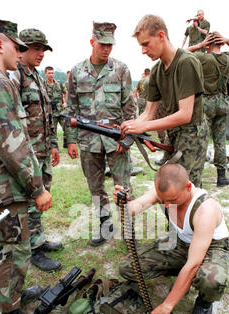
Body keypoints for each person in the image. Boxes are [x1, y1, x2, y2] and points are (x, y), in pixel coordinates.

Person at [113, 163, 229, 314]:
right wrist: (122, 201)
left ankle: (205, 303)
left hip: (211, 248)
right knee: (128, 267)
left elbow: (193, 263)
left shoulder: (206, 209)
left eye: (173, 200)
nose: (168, 206)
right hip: (181, 244)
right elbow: (133, 208)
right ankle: (180, 274)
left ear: (189, 186)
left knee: (210, 280)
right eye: (164, 200)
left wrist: (167, 306)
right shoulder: (165, 191)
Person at [0, 19, 52, 314]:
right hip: (4, 187)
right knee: (9, 250)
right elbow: (11, 145)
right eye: (16, 46)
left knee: (8, 247)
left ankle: (13, 300)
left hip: (1, 185)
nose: (20, 52)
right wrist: (37, 188)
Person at [65, 21, 137, 246]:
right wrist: (71, 141)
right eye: (102, 44)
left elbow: (130, 108)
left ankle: (129, 232)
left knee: (123, 186)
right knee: (95, 188)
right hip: (88, 143)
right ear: (92, 42)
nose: (106, 49)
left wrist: (126, 139)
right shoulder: (77, 71)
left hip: (116, 141)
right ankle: (106, 226)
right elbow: (71, 109)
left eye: (110, 45)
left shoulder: (121, 69)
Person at [121, 14, 208, 188]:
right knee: (167, 187)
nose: (143, 51)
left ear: (161, 36)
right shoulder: (157, 70)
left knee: (185, 189)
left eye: (146, 44)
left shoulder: (186, 63)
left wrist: (144, 127)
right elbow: (148, 113)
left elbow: (185, 114)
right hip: (174, 133)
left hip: (192, 134)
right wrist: (131, 126)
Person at [10, 29, 62, 272]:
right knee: (31, 200)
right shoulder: (15, 76)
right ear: (22, 48)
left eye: (44, 49)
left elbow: (47, 116)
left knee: (41, 199)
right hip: (26, 155)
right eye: (36, 48)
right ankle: (34, 250)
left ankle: (38, 239)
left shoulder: (38, 77)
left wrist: (52, 144)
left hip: (41, 151)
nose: (41, 54)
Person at [188, 32, 229, 186]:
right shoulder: (228, 59)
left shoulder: (202, 58)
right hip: (223, 102)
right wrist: (227, 39)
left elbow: (183, 52)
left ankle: (198, 178)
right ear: (221, 44)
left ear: (207, 44)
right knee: (220, 140)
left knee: (201, 141)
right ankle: (222, 176)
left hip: (206, 102)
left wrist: (200, 45)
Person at [44, 66, 67, 134]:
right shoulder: (43, 85)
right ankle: (54, 144)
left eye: (52, 73)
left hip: (61, 111)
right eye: (49, 73)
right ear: (45, 74)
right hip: (51, 112)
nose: (51, 75)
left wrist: (65, 102)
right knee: (53, 133)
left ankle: (65, 144)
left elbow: (65, 92)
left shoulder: (59, 83)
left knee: (67, 130)